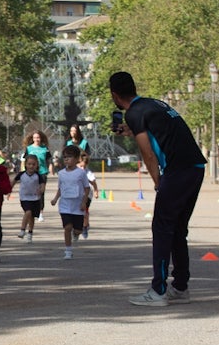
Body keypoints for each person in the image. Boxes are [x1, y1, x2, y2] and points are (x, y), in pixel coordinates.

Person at [110, 70, 206, 306]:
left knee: (162, 228)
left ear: (114, 95)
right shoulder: (154, 104)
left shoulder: (133, 113)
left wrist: (157, 182)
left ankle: (158, 291)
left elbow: (148, 153)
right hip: (195, 167)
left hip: (177, 171)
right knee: (177, 229)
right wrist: (130, 130)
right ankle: (180, 287)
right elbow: (158, 132)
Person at [49, 145, 91, 260]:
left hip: (78, 206)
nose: (67, 159)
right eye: (65, 157)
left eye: (70, 157)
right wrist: (55, 199)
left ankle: (76, 233)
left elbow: (87, 188)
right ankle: (68, 250)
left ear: (77, 159)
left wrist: (84, 202)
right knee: (67, 227)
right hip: (65, 206)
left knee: (78, 230)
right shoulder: (61, 173)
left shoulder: (81, 173)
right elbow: (60, 188)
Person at [15, 154, 45, 241]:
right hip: (24, 198)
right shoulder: (22, 174)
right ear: (25, 165)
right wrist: (9, 190)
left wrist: (41, 190)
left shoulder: (38, 176)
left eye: (33, 164)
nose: (31, 166)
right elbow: (14, 181)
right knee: (28, 212)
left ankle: (30, 232)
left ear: (37, 165)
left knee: (32, 217)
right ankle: (22, 230)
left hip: (35, 198)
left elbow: (43, 185)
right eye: (29, 164)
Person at [79, 152, 99, 238]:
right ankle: (78, 225)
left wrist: (96, 191)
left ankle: (84, 227)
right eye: (81, 166)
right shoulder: (75, 171)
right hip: (77, 194)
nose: (82, 168)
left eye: (84, 166)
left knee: (84, 211)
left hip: (87, 195)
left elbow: (94, 183)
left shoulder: (89, 173)